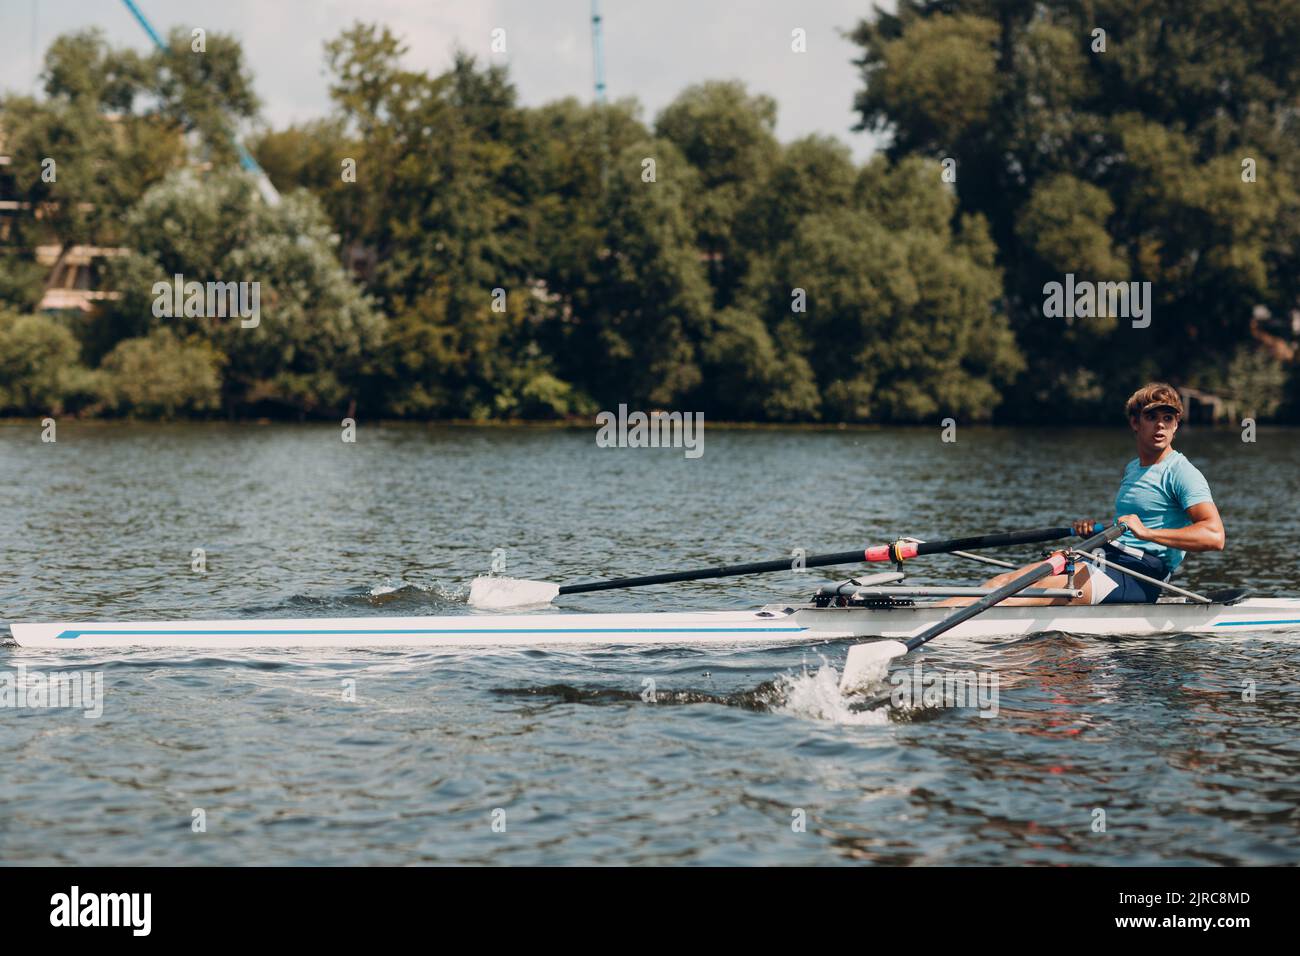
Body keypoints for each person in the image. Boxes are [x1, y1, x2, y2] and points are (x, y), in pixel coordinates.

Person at [944, 383, 1225, 606]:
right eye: (1151, 417)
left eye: (1168, 418)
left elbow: (1214, 536)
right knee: (1001, 583)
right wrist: (1093, 531)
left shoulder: (1181, 472)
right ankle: (926, 617)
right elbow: (1132, 523)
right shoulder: (1132, 468)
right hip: (1105, 556)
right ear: (1135, 423)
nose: (1160, 425)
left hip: (1141, 574)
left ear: (1176, 425)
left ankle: (936, 632)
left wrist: (1147, 534)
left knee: (1019, 592)